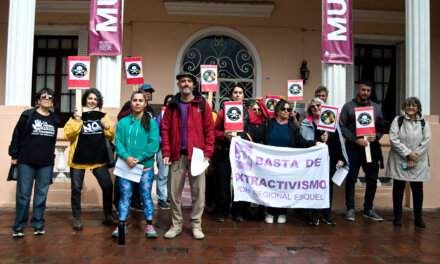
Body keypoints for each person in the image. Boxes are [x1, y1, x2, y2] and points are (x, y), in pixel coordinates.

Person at [161, 71, 215, 240]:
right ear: (179, 84)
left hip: (198, 155)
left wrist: (207, 152)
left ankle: (196, 225)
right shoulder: (172, 105)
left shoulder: (202, 104)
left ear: (194, 85)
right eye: (182, 81)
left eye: (188, 81)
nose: (185, 84)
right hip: (177, 154)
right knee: (173, 192)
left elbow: (209, 130)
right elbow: (165, 129)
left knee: (198, 192)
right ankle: (176, 225)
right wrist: (167, 152)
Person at [9, 88, 59, 238]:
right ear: (38, 100)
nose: (47, 98)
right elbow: (17, 134)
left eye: (50, 97)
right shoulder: (28, 115)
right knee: (23, 195)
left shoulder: (54, 119)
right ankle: (19, 226)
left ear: (52, 101)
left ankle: (38, 224)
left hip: (46, 162)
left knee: (41, 195)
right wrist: (14, 154)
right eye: (43, 96)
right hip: (26, 161)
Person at [64, 88, 115, 230]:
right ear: (85, 99)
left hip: (98, 158)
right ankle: (77, 218)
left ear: (98, 101)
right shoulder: (77, 115)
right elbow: (68, 134)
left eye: (95, 99)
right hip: (78, 159)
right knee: (76, 189)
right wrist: (77, 120)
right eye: (90, 98)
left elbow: (111, 134)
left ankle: (108, 216)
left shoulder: (103, 116)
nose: (92, 101)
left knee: (107, 186)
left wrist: (106, 127)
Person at [112, 91, 160, 238]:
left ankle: (149, 225)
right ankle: (121, 224)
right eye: (135, 100)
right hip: (125, 167)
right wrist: (126, 157)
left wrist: (139, 158)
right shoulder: (123, 122)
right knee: (125, 196)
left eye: (141, 100)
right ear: (131, 102)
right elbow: (118, 142)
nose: (138, 103)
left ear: (145, 104)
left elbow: (153, 144)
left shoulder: (151, 123)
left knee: (145, 196)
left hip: (145, 167)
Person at [339, 81, 385, 222]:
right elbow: (342, 126)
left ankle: (368, 209)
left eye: (368, 90)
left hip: (371, 148)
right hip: (353, 148)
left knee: (372, 179)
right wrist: (354, 139)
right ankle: (350, 209)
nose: (365, 92)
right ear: (358, 90)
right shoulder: (348, 107)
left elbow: (382, 126)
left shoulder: (376, 108)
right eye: (363, 89)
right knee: (351, 178)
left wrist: (376, 136)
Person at [300, 98, 348, 226]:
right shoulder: (306, 123)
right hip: (314, 163)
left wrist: (341, 158)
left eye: (319, 105)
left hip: (330, 160)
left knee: (327, 188)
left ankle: (326, 214)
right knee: (314, 186)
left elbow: (338, 141)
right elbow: (303, 142)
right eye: (313, 106)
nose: (316, 108)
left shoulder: (331, 121)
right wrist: (318, 140)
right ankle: (314, 215)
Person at [387, 97, 431, 228]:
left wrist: (414, 155)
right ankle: (398, 217)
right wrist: (407, 153)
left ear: (418, 108)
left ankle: (418, 218)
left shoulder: (424, 123)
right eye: (408, 105)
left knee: (417, 190)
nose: (410, 108)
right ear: (404, 107)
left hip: (418, 161)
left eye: (413, 105)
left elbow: (426, 142)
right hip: (400, 160)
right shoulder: (398, 120)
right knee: (398, 189)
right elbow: (393, 139)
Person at [115, 83, 155, 211]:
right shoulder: (129, 106)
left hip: (142, 160)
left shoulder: (151, 112)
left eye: (150, 92)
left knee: (142, 187)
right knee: (122, 189)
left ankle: (137, 204)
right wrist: (133, 112)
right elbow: (120, 119)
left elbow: (153, 138)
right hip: (125, 157)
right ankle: (119, 211)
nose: (148, 93)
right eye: (146, 91)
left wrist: (140, 157)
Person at [214, 86, 249, 222]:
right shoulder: (223, 112)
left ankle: (238, 211)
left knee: (241, 183)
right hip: (224, 152)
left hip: (242, 154)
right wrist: (224, 135)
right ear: (231, 95)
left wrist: (244, 136)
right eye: (235, 92)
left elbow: (254, 130)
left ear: (243, 96)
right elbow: (215, 131)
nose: (238, 95)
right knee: (222, 183)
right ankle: (222, 211)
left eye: (240, 92)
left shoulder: (248, 113)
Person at [263, 99, 300, 224]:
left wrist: (316, 143)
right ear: (277, 111)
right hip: (270, 163)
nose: (286, 111)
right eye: (284, 109)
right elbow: (259, 136)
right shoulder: (269, 123)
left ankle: (282, 212)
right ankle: (270, 211)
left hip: (286, 164)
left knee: (283, 188)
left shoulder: (292, 126)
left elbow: (301, 141)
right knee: (271, 187)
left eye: (289, 109)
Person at [155, 94, 174, 210]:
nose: (170, 103)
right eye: (168, 102)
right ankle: (162, 198)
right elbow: (156, 132)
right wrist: (164, 143)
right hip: (163, 149)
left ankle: (169, 197)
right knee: (163, 174)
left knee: (173, 176)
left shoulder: (178, 115)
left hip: (176, 150)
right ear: (165, 103)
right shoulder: (160, 116)